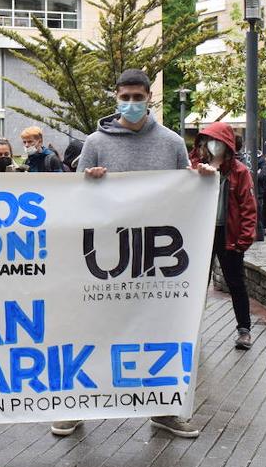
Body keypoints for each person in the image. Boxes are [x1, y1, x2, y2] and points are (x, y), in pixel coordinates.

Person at [52, 69, 207, 440]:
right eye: (126, 97)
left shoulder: (171, 143)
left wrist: (199, 181)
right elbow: (73, 197)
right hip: (105, 256)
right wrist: (88, 180)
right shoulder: (95, 142)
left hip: (154, 258)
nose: (132, 104)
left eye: (139, 97)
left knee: (161, 331)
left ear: (150, 98)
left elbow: (181, 195)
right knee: (92, 329)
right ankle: (75, 404)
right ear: (117, 97)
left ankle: (165, 409)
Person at [189, 122, 258, 350]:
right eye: (208, 140)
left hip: (228, 234)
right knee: (198, 285)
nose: (213, 145)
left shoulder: (239, 172)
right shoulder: (194, 168)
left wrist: (244, 240)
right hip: (201, 233)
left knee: (236, 283)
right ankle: (193, 331)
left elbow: (248, 207)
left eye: (218, 141)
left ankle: (244, 330)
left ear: (228, 145)